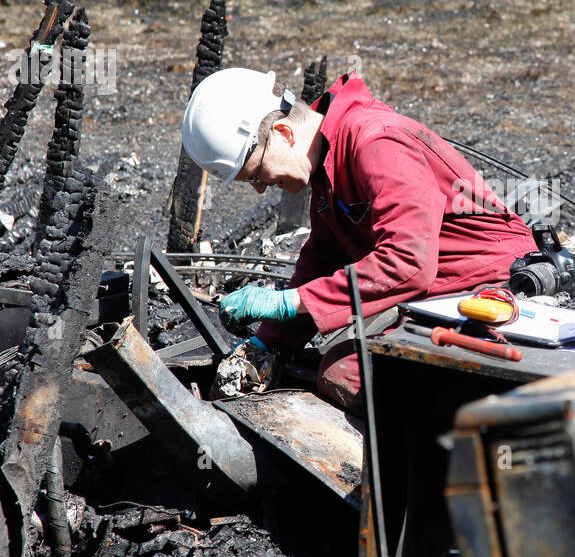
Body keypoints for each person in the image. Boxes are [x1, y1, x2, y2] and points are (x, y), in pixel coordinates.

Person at [180, 65, 539, 413]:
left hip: (496, 285)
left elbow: (408, 261)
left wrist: (289, 302)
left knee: (349, 375)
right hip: (444, 287)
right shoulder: (326, 162)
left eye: (256, 174)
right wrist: (270, 340)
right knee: (338, 370)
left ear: (285, 134)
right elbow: (325, 256)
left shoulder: (376, 140)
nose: (260, 189)